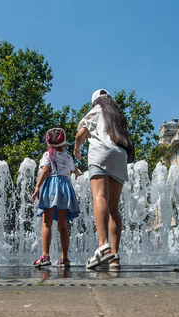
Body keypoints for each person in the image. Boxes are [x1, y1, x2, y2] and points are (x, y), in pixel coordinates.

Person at [74, 89, 135, 269]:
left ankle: (103, 245)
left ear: (95, 102)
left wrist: (77, 149)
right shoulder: (117, 116)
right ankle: (115, 257)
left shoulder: (97, 110)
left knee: (100, 197)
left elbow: (80, 134)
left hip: (101, 154)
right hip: (120, 156)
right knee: (114, 206)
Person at [32, 128, 82, 267]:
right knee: (62, 225)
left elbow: (45, 169)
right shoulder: (68, 157)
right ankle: (64, 258)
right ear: (64, 143)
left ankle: (45, 256)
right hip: (65, 189)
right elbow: (74, 169)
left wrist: (37, 187)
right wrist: (78, 174)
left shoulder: (47, 155)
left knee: (47, 222)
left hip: (52, 187)